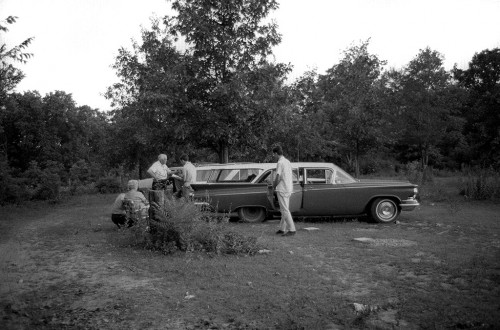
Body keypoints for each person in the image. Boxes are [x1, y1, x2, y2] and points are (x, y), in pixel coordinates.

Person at [272, 145, 296, 236]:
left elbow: (278, 177)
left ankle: (292, 229)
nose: (273, 156)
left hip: (282, 189)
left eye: (273, 154)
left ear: (276, 153)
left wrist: (273, 187)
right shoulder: (287, 161)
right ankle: (282, 229)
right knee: (284, 209)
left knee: (285, 210)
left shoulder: (280, 163)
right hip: (288, 188)